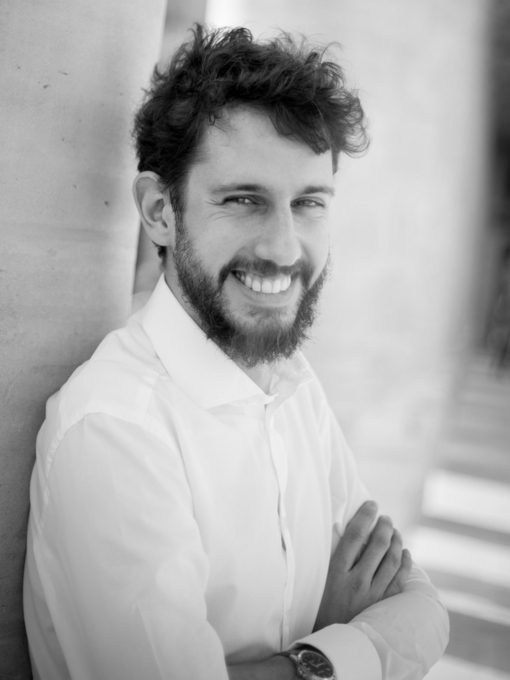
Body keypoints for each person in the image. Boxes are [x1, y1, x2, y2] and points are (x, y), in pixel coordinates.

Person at [23, 25, 449, 680]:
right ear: (160, 211)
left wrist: (316, 654)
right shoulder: (114, 428)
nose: (283, 247)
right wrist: (332, 648)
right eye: (244, 200)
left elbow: (422, 613)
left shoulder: (291, 381)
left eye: (308, 203)